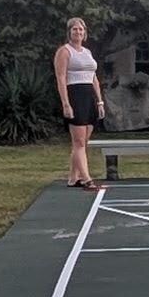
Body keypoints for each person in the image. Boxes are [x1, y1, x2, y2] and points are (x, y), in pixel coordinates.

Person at [53, 15, 102, 189]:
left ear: (85, 32)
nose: (78, 32)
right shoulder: (64, 51)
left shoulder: (87, 53)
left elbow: (93, 78)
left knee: (83, 142)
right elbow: (61, 78)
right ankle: (86, 178)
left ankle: (73, 178)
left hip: (89, 96)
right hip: (75, 95)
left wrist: (100, 101)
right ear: (69, 32)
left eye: (81, 29)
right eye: (75, 29)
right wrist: (66, 104)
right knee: (79, 142)